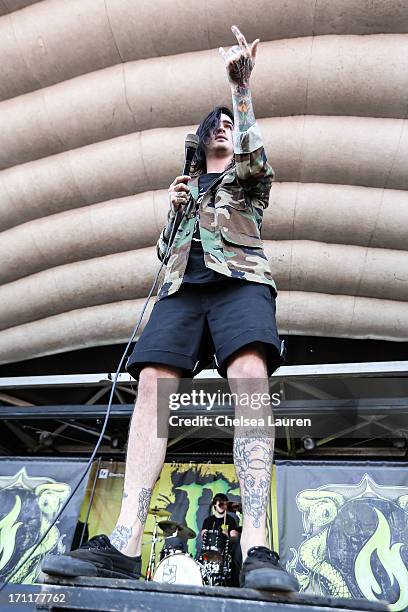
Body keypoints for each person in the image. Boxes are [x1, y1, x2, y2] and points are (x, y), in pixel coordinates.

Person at [41, 25, 298, 592]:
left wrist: (242, 92)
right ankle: (126, 541)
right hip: (181, 289)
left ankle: (256, 544)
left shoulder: (247, 181)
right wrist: (173, 210)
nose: (229, 130)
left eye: (233, 126)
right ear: (203, 137)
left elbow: (258, 161)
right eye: (222, 124)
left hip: (240, 283)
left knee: (249, 377)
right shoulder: (185, 186)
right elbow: (163, 255)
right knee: (154, 386)